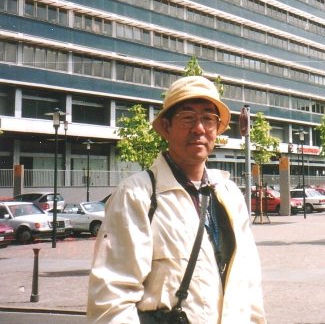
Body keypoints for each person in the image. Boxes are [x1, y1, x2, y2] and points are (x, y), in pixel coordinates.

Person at [87, 76, 266, 324]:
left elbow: (249, 284)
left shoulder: (229, 194)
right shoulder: (137, 195)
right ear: (167, 126)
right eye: (187, 117)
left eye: (208, 118)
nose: (199, 128)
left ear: (217, 128)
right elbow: (112, 301)